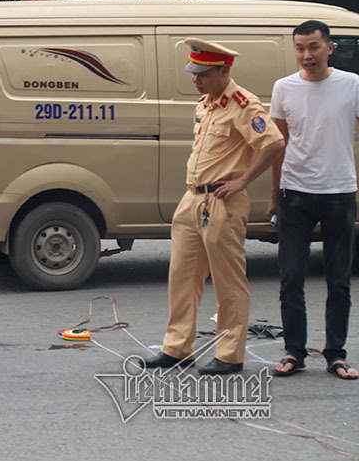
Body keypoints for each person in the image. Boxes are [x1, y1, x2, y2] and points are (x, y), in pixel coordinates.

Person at [141, 38, 284, 375]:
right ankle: (177, 348)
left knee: (227, 281)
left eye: (203, 73)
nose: (195, 79)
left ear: (223, 71)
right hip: (193, 199)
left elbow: (274, 142)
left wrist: (243, 180)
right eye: (194, 72)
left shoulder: (243, 104)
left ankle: (229, 354)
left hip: (223, 201)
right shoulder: (205, 103)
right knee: (182, 277)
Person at [269, 20, 359, 380]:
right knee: (291, 277)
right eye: (300, 48)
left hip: (339, 192)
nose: (307, 55)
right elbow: (277, 145)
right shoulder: (283, 88)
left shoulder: (352, 84)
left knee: (338, 279)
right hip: (296, 193)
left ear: (330, 48)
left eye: (314, 47)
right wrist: (275, 196)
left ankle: (336, 354)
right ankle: (294, 352)